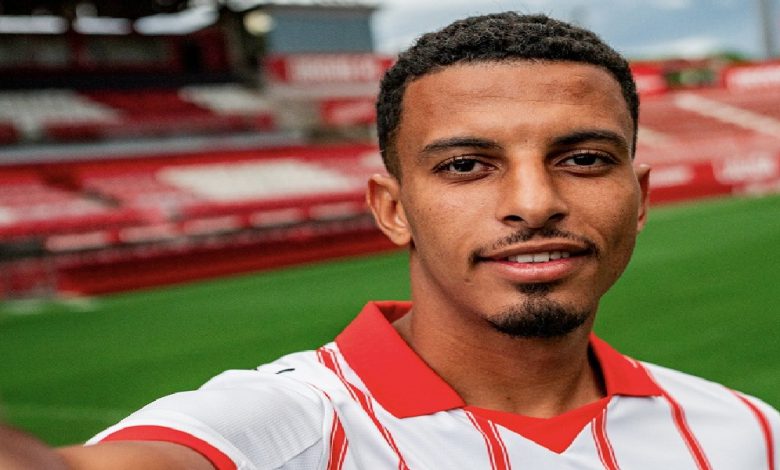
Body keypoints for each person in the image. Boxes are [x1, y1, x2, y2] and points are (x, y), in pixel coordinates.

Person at [5, 11, 778, 469]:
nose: (534, 203)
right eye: (466, 165)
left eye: (583, 160)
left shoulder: (750, 435)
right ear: (392, 209)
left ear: (640, 199)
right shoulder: (284, 428)